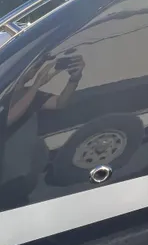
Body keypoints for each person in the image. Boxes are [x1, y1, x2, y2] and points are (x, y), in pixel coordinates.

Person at [0, 54, 85, 208]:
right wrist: (36, 84)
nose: (34, 71)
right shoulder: (6, 94)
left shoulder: (30, 94)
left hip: (23, 174)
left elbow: (59, 103)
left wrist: (74, 78)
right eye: (33, 66)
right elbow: (7, 119)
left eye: (37, 67)